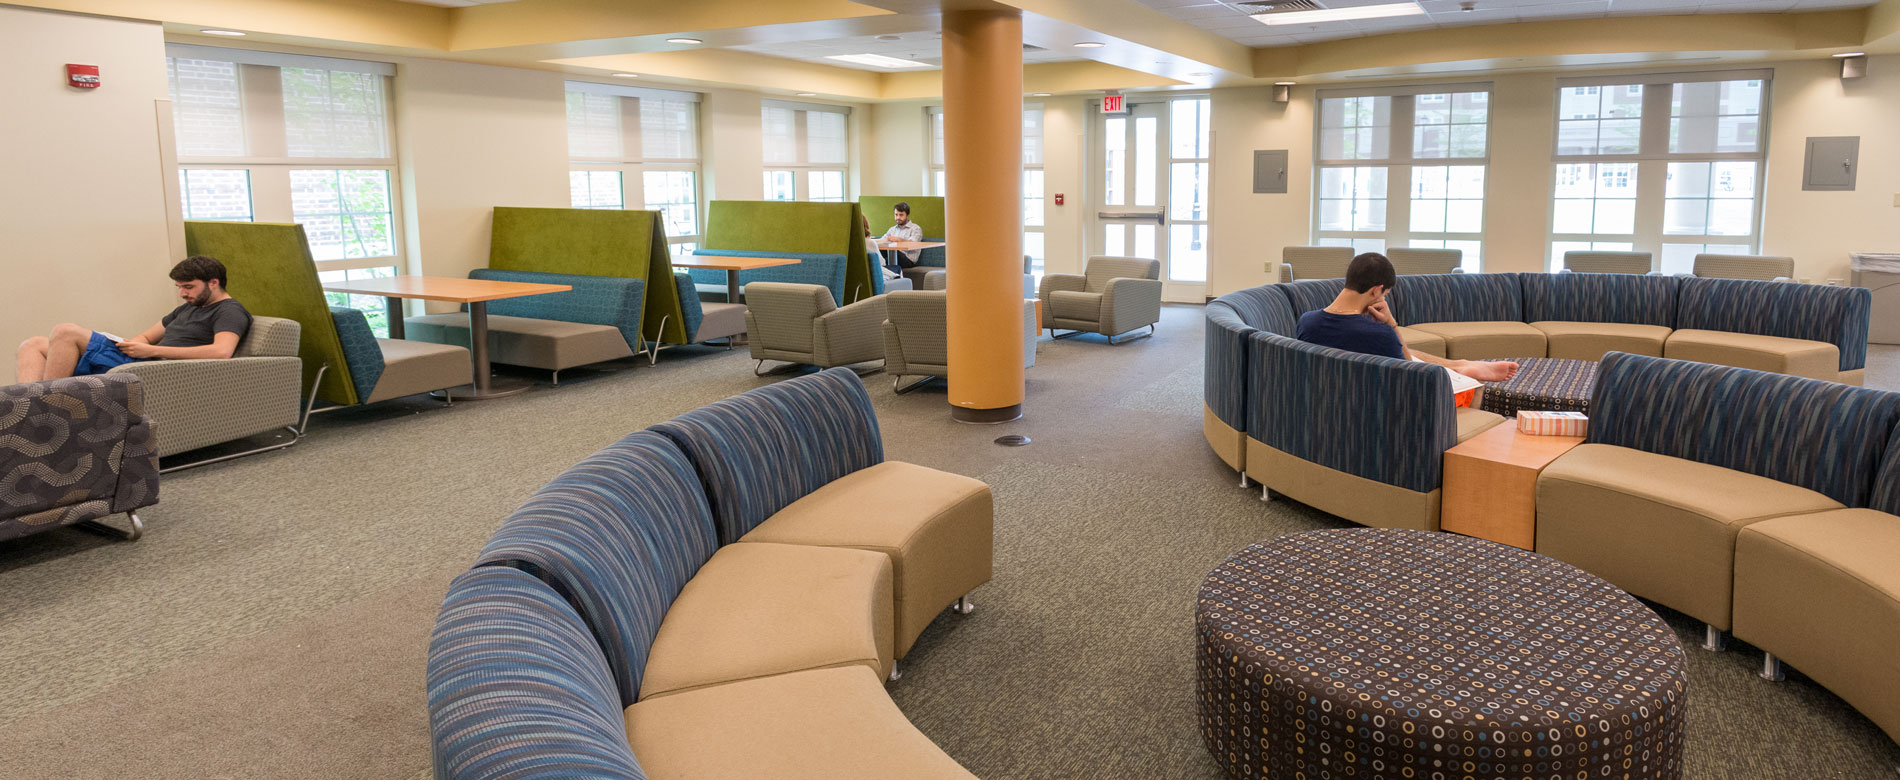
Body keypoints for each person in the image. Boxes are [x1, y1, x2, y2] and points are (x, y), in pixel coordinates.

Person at [15, 255, 254, 383]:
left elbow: (222, 351)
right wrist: (132, 345)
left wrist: (149, 352)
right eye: (179, 287)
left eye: (189, 287)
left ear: (214, 283)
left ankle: (44, 408)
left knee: (65, 331)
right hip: (143, 358)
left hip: (159, 368)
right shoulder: (188, 307)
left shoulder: (229, 311)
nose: (183, 293)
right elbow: (148, 336)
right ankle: (30, 408)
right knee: (32, 345)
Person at [1295, 252, 1518, 382]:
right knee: (1475, 387)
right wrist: (1391, 324)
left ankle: (1458, 365)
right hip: (1379, 405)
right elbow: (1412, 375)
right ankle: (1461, 374)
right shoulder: (1380, 334)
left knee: (1404, 350)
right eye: (1385, 295)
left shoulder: (1307, 321)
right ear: (1376, 290)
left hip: (1332, 393)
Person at [880, 201, 924, 269]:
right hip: (893, 256)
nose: (898, 217)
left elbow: (913, 243)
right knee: (877, 250)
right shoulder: (892, 229)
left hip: (908, 259)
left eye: (901, 215)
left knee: (892, 251)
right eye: (896, 214)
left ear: (907, 215)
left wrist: (899, 240)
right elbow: (882, 240)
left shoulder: (916, 228)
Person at [863, 214, 899, 281]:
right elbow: (881, 263)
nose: (898, 217)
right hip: (876, 275)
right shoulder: (869, 242)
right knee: (897, 268)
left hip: (863, 276)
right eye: (896, 214)